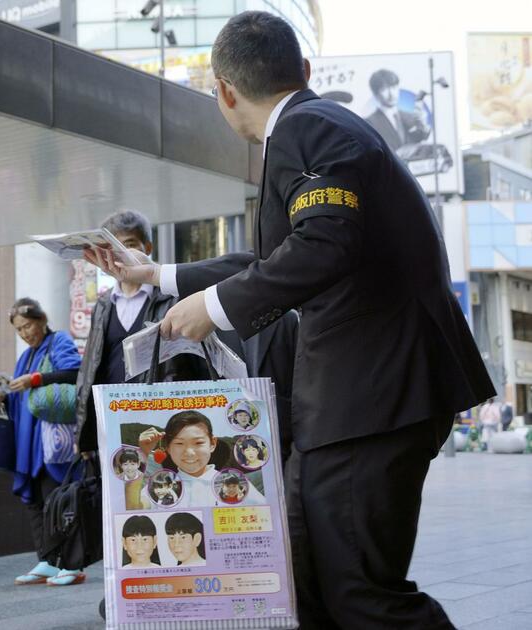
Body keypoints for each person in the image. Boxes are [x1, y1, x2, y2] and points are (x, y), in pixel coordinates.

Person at [88, 12, 494, 628]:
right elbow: (276, 258)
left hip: (372, 395)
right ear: (302, 70)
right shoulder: (313, 128)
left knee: (361, 593)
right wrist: (158, 277)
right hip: (353, 400)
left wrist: (216, 308)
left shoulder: (310, 128)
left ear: (222, 89)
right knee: (305, 578)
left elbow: (325, 244)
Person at [76, 210, 208, 457]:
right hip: (112, 417)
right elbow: (90, 367)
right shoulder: (103, 305)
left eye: (128, 245)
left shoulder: (172, 298)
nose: (118, 256)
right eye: (111, 248)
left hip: (160, 417)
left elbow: (195, 362)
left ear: (146, 247)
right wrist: (84, 433)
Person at [0, 298, 84, 587]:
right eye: (19, 329)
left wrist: (35, 379)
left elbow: (74, 373)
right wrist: (3, 395)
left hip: (52, 441)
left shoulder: (59, 341)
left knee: (58, 500)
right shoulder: (26, 355)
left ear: (42, 320)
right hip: (28, 440)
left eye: (28, 325)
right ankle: (46, 560)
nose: (25, 333)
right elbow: (22, 396)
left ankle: (72, 564)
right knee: (34, 499)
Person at [138, 411, 265, 507]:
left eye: (198, 443)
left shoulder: (236, 482)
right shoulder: (160, 484)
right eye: (179, 444)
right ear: (168, 448)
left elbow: (265, 512)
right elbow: (134, 508)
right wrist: (143, 453)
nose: (189, 452)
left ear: (212, 444)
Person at [364, 69, 430, 152]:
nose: (391, 94)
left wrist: (423, 124)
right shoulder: (370, 122)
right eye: (384, 89)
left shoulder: (409, 116)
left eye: (394, 87)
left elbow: (422, 137)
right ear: (375, 94)